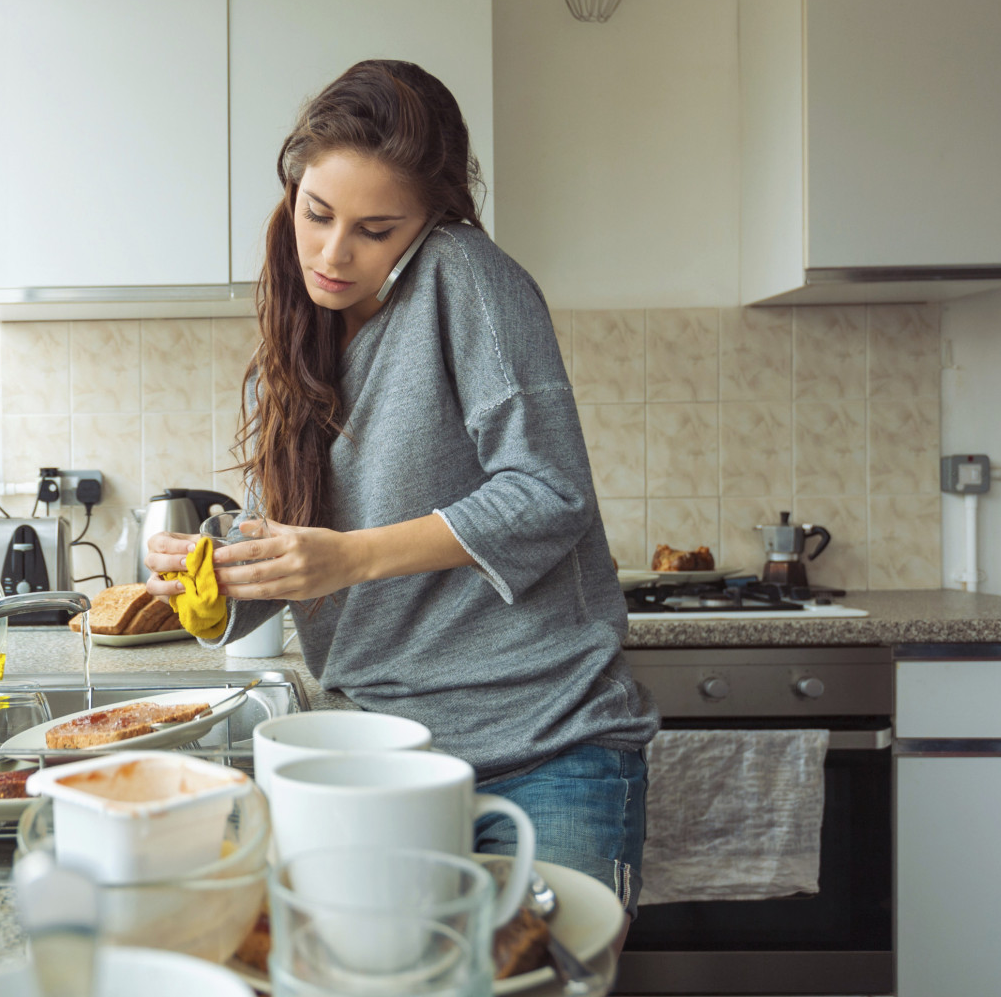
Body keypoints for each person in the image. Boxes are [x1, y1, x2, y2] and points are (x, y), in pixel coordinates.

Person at [144, 60, 658, 912]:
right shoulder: (289, 351)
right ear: (294, 189)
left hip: (549, 750)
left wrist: (348, 559)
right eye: (317, 215)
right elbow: (310, 553)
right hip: (382, 760)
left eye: (376, 230)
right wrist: (215, 573)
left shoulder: (467, 278)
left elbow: (548, 491)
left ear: (430, 222)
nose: (334, 253)